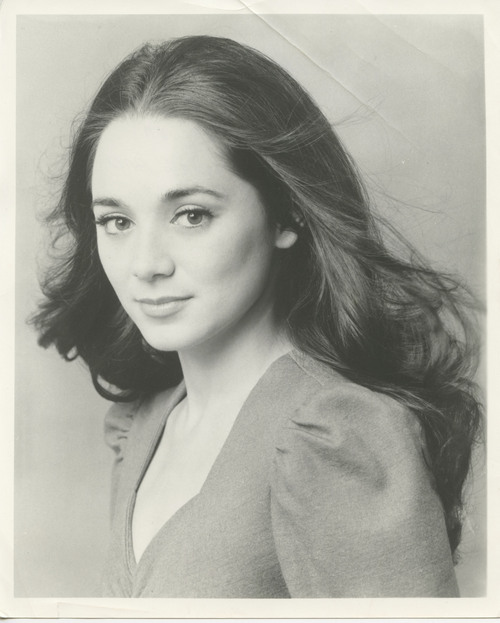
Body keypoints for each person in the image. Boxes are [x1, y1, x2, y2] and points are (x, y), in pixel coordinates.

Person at [31, 35, 483, 598]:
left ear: (285, 215)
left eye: (191, 215)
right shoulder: (145, 425)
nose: (145, 265)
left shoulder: (336, 437)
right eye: (117, 222)